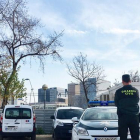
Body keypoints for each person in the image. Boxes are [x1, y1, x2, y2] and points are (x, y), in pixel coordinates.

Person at [115, 74, 139, 140]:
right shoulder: (136, 91)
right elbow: (136, 101)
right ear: (130, 81)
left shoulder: (118, 92)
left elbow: (116, 103)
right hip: (134, 116)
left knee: (123, 137)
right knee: (135, 137)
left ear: (122, 81)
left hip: (123, 117)